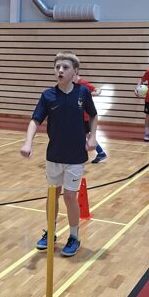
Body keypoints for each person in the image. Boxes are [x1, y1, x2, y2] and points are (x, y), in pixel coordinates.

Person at [20, 52, 98, 257]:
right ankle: (50, 232)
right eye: (57, 67)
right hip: (54, 154)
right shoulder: (48, 95)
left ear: (75, 71)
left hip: (76, 156)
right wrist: (28, 142)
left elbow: (93, 115)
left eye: (65, 67)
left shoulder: (83, 93)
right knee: (52, 194)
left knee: (70, 196)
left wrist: (92, 137)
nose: (60, 71)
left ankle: (74, 236)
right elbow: (35, 120)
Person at [77, 76, 107, 163]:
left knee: (86, 135)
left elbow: (97, 90)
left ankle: (100, 152)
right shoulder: (70, 83)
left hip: (84, 116)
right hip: (77, 115)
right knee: (83, 135)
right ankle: (100, 153)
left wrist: (93, 93)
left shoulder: (82, 83)